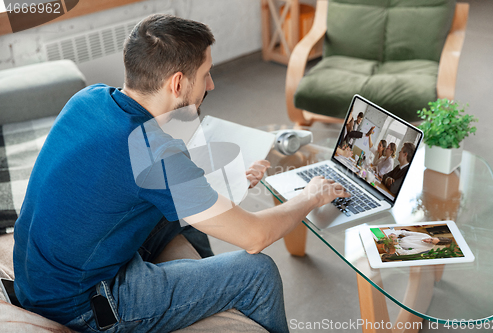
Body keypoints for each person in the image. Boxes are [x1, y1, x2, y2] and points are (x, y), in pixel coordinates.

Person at [13, 14, 349, 333]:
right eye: (206, 74)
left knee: (186, 219)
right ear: (177, 83)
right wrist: (310, 196)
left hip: (40, 278)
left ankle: (209, 291)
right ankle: (223, 290)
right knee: (257, 272)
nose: (212, 85)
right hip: (82, 305)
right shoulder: (155, 150)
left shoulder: (89, 98)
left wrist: (221, 185)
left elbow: (128, 178)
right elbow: (255, 237)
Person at [388, 232, 452, 255]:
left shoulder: (428, 247)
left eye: (430, 242)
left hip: (394, 248)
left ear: (434, 244)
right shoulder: (425, 235)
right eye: (431, 239)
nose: (427, 240)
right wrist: (394, 234)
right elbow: (404, 232)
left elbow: (404, 253)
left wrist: (396, 244)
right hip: (393, 239)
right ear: (434, 237)